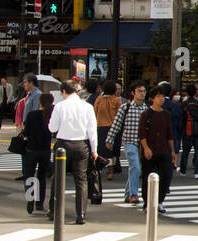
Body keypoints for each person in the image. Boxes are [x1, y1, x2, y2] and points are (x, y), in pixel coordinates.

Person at [47, 79, 98, 225]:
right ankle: (80, 214)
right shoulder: (87, 107)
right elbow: (92, 131)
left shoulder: (59, 106)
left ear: (63, 92)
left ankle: (54, 211)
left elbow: (52, 128)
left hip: (63, 144)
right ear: (76, 91)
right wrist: (94, 150)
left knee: (58, 179)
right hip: (81, 144)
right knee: (81, 180)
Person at [106, 82, 148, 204]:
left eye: (144, 91)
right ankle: (134, 194)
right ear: (133, 93)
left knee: (135, 168)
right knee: (135, 166)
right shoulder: (126, 107)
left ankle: (128, 193)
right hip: (129, 141)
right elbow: (116, 124)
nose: (142, 93)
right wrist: (110, 139)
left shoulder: (146, 109)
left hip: (142, 144)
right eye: (139, 91)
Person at [138, 87, 175, 213]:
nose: (161, 99)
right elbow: (141, 134)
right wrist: (146, 148)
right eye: (158, 96)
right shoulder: (146, 114)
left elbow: (170, 134)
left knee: (166, 176)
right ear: (152, 99)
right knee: (147, 177)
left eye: (162, 96)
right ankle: (147, 203)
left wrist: (173, 151)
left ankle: (159, 201)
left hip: (163, 150)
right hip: (149, 151)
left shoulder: (166, 114)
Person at [21, 92, 54, 216]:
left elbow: (26, 133)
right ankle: (40, 203)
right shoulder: (51, 115)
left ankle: (30, 199)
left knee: (29, 175)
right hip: (45, 150)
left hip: (31, 149)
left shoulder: (32, 115)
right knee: (42, 177)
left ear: (40, 102)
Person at [93, 80, 122, 180]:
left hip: (100, 126)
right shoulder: (117, 100)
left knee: (103, 149)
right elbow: (120, 114)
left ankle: (101, 168)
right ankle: (112, 169)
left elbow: (95, 112)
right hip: (114, 127)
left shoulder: (99, 99)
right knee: (113, 149)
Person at [180, 84, 198, 179]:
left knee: (185, 152)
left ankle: (183, 171)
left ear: (186, 93)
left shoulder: (184, 104)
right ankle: (197, 172)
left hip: (187, 130)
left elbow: (181, 119)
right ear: (195, 92)